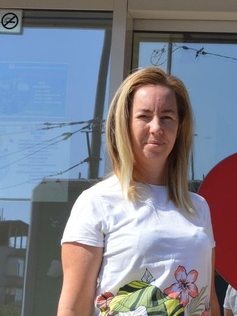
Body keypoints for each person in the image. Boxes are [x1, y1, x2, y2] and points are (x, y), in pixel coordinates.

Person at [58, 67, 216, 316]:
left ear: (179, 127)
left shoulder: (198, 207)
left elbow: (210, 301)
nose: (157, 127)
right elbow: (73, 307)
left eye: (167, 117)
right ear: (124, 124)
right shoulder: (96, 202)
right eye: (144, 116)